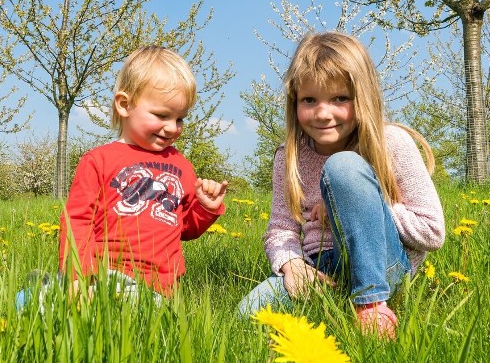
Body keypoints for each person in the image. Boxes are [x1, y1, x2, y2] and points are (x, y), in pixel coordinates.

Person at [237, 32, 445, 340]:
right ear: (295, 101)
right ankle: (337, 300)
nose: (323, 113)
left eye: (340, 99)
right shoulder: (288, 156)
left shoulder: (393, 143)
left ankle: (371, 304)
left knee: (343, 167)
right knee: (249, 312)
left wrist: (361, 204)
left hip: (384, 265)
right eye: (309, 100)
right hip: (321, 268)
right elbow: (281, 229)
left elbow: (432, 232)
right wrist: (292, 265)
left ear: (363, 97)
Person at [57, 45, 229, 301]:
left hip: (159, 288)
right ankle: (49, 295)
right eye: (162, 115)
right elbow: (77, 222)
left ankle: (45, 297)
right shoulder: (98, 160)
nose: (172, 128)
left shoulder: (180, 165)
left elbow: (185, 228)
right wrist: (78, 276)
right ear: (125, 105)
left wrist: (205, 208)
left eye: (180, 118)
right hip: (103, 275)